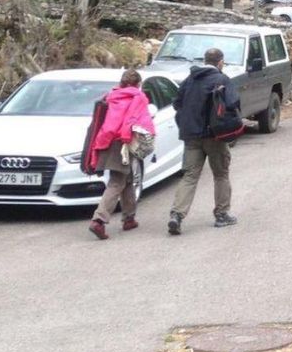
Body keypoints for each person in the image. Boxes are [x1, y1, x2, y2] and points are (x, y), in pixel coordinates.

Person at [168, 47, 241, 235]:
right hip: (215, 136)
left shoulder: (190, 79)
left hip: (191, 136)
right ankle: (222, 214)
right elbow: (233, 104)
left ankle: (177, 215)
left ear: (205, 60)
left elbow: (177, 103)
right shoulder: (222, 80)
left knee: (190, 176)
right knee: (221, 174)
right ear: (220, 62)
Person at [85, 70, 155, 240]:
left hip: (106, 140)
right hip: (123, 142)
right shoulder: (138, 97)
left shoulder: (111, 96)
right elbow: (138, 120)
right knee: (117, 181)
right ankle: (99, 220)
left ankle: (129, 218)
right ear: (138, 83)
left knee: (128, 178)